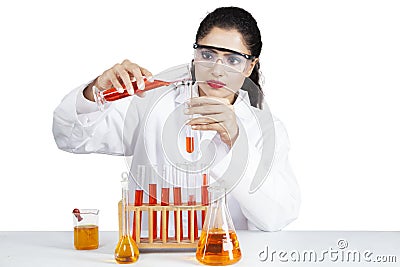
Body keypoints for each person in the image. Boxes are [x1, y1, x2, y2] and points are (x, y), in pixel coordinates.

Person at [53, 6, 300, 231]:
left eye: (233, 60)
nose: (217, 69)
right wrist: (96, 91)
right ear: (195, 54)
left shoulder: (266, 129)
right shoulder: (152, 104)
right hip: (150, 256)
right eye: (208, 54)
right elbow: (70, 138)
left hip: (220, 257)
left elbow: (276, 217)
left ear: (249, 67)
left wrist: (236, 140)